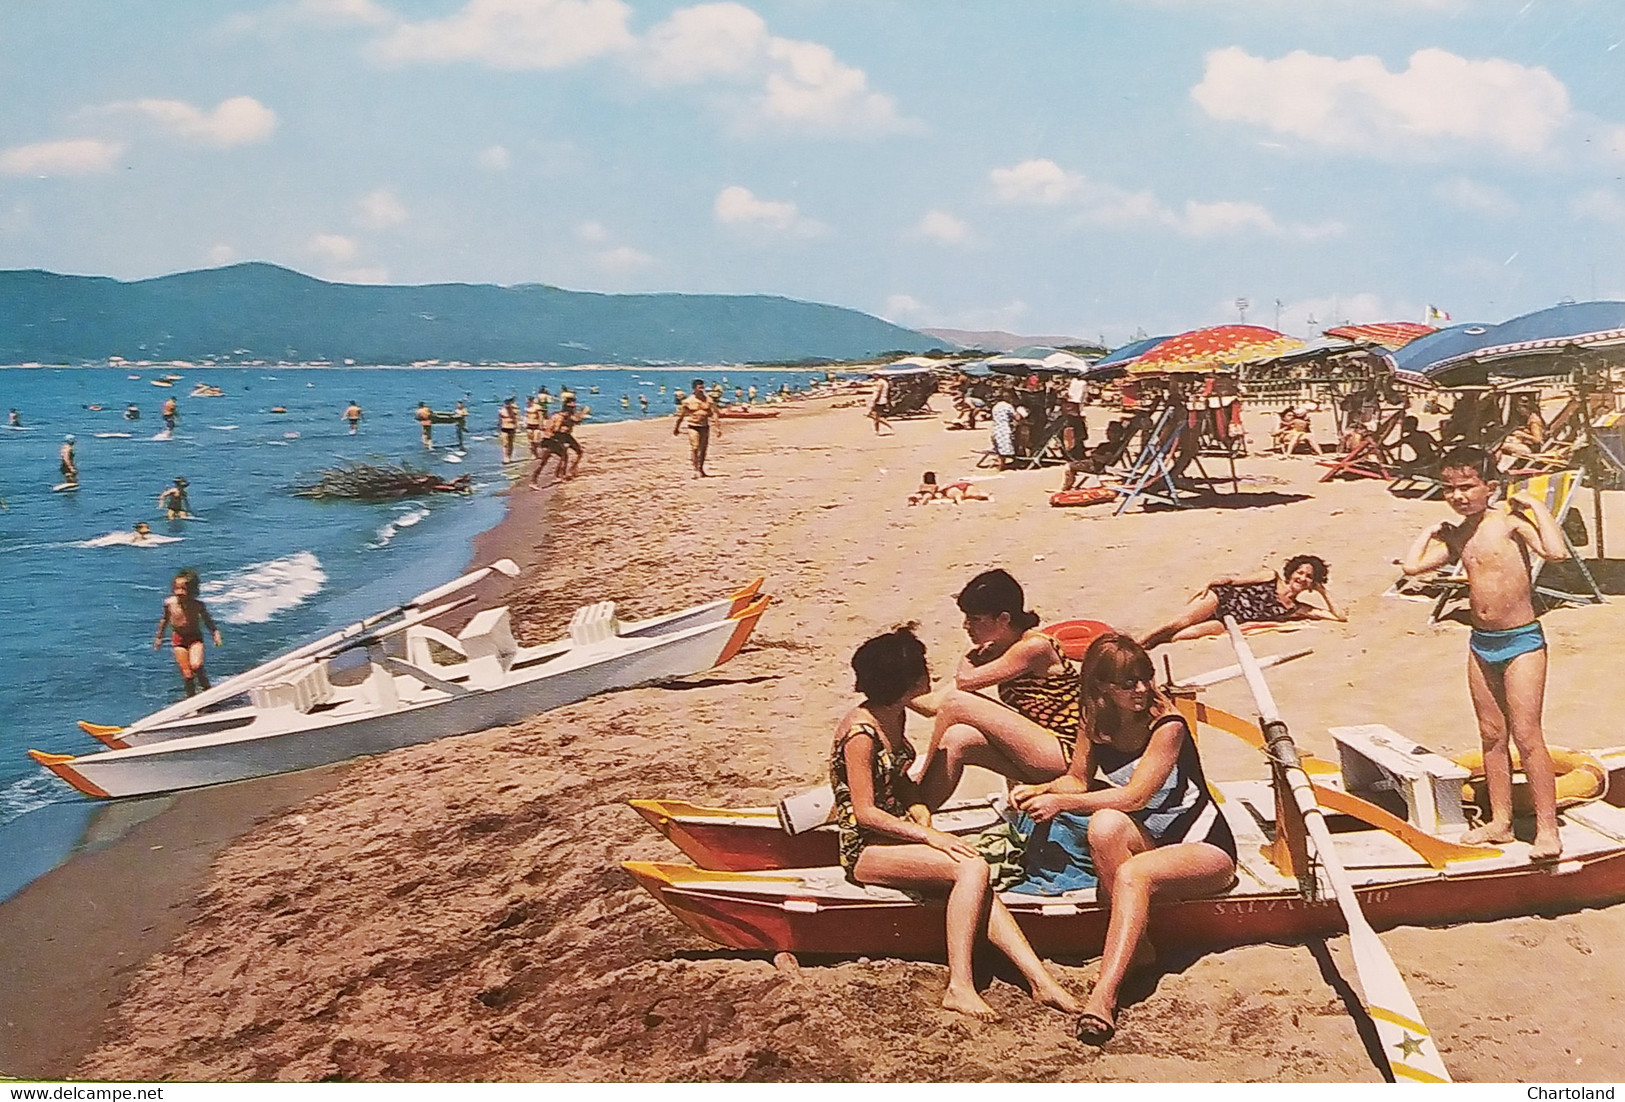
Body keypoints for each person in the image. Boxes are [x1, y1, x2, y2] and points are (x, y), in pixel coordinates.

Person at [832, 626, 1083, 1021]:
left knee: (976, 879)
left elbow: (897, 782)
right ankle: (960, 986)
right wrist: (929, 834)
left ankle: (1041, 982)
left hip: (892, 836)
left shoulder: (891, 716)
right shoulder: (861, 733)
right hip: (866, 849)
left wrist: (916, 807)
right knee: (972, 866)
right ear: (911, 681)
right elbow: (865, 813)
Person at [1011, 634, 1238, 1045]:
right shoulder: (1093, 720)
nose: (1142, 689)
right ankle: (1142, 946)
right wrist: (1043, 789)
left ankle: (1104, 996)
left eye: (1145, 678)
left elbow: (1136, 795)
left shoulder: (1166, 725)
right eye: (1128, 682)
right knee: (1104, 827)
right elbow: (1077, 779)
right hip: (1155, 838)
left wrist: (1061, 803)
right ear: (1101, 687)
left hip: (1205, 845)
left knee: (1132, 872)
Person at [1401, 445, 1569, 861]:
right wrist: (1428, 532)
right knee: (1491, 737)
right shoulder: (1459, 533)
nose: (1458, 496)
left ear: (1489, 487)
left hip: (1522, 641)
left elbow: (1556, 551)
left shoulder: (1509, 522)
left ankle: (1547, 829)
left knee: (1527, 736)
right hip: (1481, 643)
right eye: (1449, 489)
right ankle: (1500, 822)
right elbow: (1412, 568)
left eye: (1466, 487)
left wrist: (1535, 507)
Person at [909, 570, 1081, 805]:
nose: (966, 626)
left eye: (976, 620)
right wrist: (891, 691)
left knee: (957, 703)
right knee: (958, 739)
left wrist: (972, 658)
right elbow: (934, 706)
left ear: (1004, 619)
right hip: (1041, 749)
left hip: (1065, 752)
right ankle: (918, 809)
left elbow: (965, 684)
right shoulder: (1004, 647)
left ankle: (918, 783)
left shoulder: (1034, 647)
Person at [1138, 554, 1346, 650]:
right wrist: (1210, 584)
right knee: (1180, 622)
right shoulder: (1270, 576)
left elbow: (1340, 617)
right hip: (1222, 599)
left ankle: (1151, 645)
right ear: (1291, 572)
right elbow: (1234, 580)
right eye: (1300, 572)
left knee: (1181, 636)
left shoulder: (1296, 609)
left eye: (1309, 577)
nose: (1302, 578)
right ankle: (1138, 642)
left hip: (1230, 620)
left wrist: (1322, 591)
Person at [153, 568, 222, 698]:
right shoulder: (169, 603)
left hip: (195, 638)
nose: (179, 592)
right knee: (187, 674)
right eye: (177, 588)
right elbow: (164, 620)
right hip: (179, 640)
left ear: (192, 590)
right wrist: (159, 637)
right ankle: (192, 701)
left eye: (183, 589)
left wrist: (215, 632)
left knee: (196, 666)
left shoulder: (198, 605)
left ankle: (209, 694)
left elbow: (208, 620)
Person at [674, 378, 721, 478]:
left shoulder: (708, 400)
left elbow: (714, 414)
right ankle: (695, 469)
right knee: (695, 447)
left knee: (703, 449)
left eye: (702, 388)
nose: (701, 390)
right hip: (693, 426)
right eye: (699, 388)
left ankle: (701, 468)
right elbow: (681, 416)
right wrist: (676, 428)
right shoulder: (688, 401)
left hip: (704, 426)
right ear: (694, 388)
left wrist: (717, 427)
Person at [1498, 394, 1546, 461]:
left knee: (1503, 446)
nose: (1518, 410)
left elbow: (1538, 439)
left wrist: (1522, 434)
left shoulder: (1533, 421)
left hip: (1531, 448)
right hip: (1524, 443)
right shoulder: (1527, 418)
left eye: (1520, 408)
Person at [907, 471, 989, 506]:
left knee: (957, 494)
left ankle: (916, 499)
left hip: (950, 489)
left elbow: (937, 493)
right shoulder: (935, 486)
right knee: (974, 494)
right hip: (963, 486)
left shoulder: (923, 486)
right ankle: (987, 496)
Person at [989, 391, 1018, 469]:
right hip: (1004, 428)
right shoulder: (1008, 406)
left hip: (995, 428)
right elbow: (1016, 417)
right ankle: (1001, 466)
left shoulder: (996, 406)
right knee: (1004, 449)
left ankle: (999, 463)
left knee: (998, 447)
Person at [497, 397, 520, 463]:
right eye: (506, 403)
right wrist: (498, 429)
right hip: (504, 428)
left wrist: (517, 427)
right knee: (505, 443)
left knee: (510, 443)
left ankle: (509, 456)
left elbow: (517, 419)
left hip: (512, 428)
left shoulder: (514, 411)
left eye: (508, 403)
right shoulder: (501, 411)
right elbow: (499, 421)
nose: (507, 404)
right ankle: (505, 457)